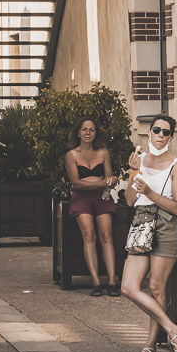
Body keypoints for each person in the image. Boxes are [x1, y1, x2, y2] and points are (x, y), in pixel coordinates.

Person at [121, 112, 177, 352]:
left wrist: (148, 190)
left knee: (156, 287)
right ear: (148, 132)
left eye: (166, 132)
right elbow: (129, 201)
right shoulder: (139, 161)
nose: (160, 135)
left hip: (167, 226)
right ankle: (173, 329)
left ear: (171, 136)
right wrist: (132, 172)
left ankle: (150, 345)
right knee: (128, 286)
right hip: (141, 223)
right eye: (156, 130)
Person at [64, 117, 120, 296]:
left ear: (96, 133)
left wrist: (112, 180)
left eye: (92, 130)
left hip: (102, 197)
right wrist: (103, 182)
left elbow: (110, 179)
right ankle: (95, 282)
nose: (88, 133)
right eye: (84, 129)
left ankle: (112, 281)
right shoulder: (71, 155)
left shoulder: (103, 152)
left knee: (106, 235)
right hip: (81, 199)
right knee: (89, 234)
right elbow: (76, 184)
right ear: (78, 132)